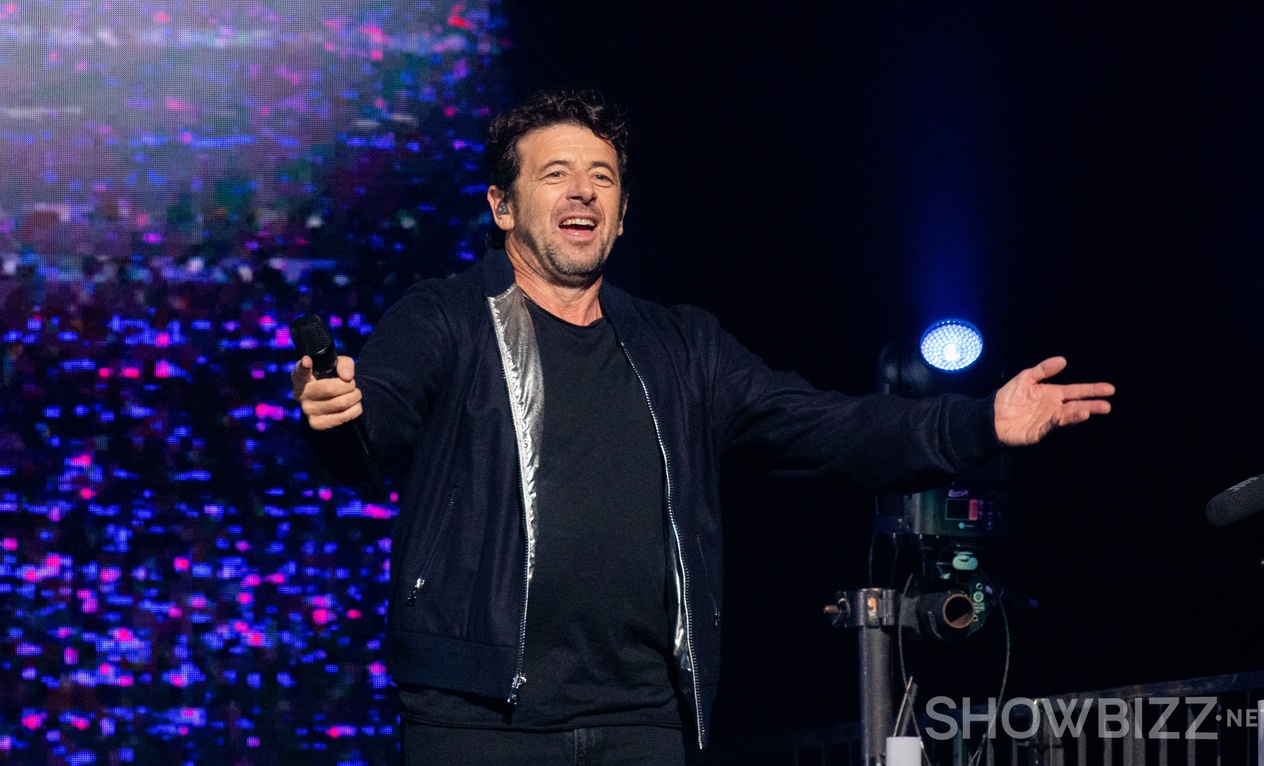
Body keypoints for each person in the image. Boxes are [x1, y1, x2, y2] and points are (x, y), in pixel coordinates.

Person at [291, 89, 1114, 765]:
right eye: (557, 175)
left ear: (621, 214)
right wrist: (338, 413)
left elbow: (823, 425)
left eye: (602, 178)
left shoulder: (681, 345)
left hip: (645, 723)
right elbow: (374, 427)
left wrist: (977, 424)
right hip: (479, 724)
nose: (583, 191)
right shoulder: (446, 319)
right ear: (502, 206)